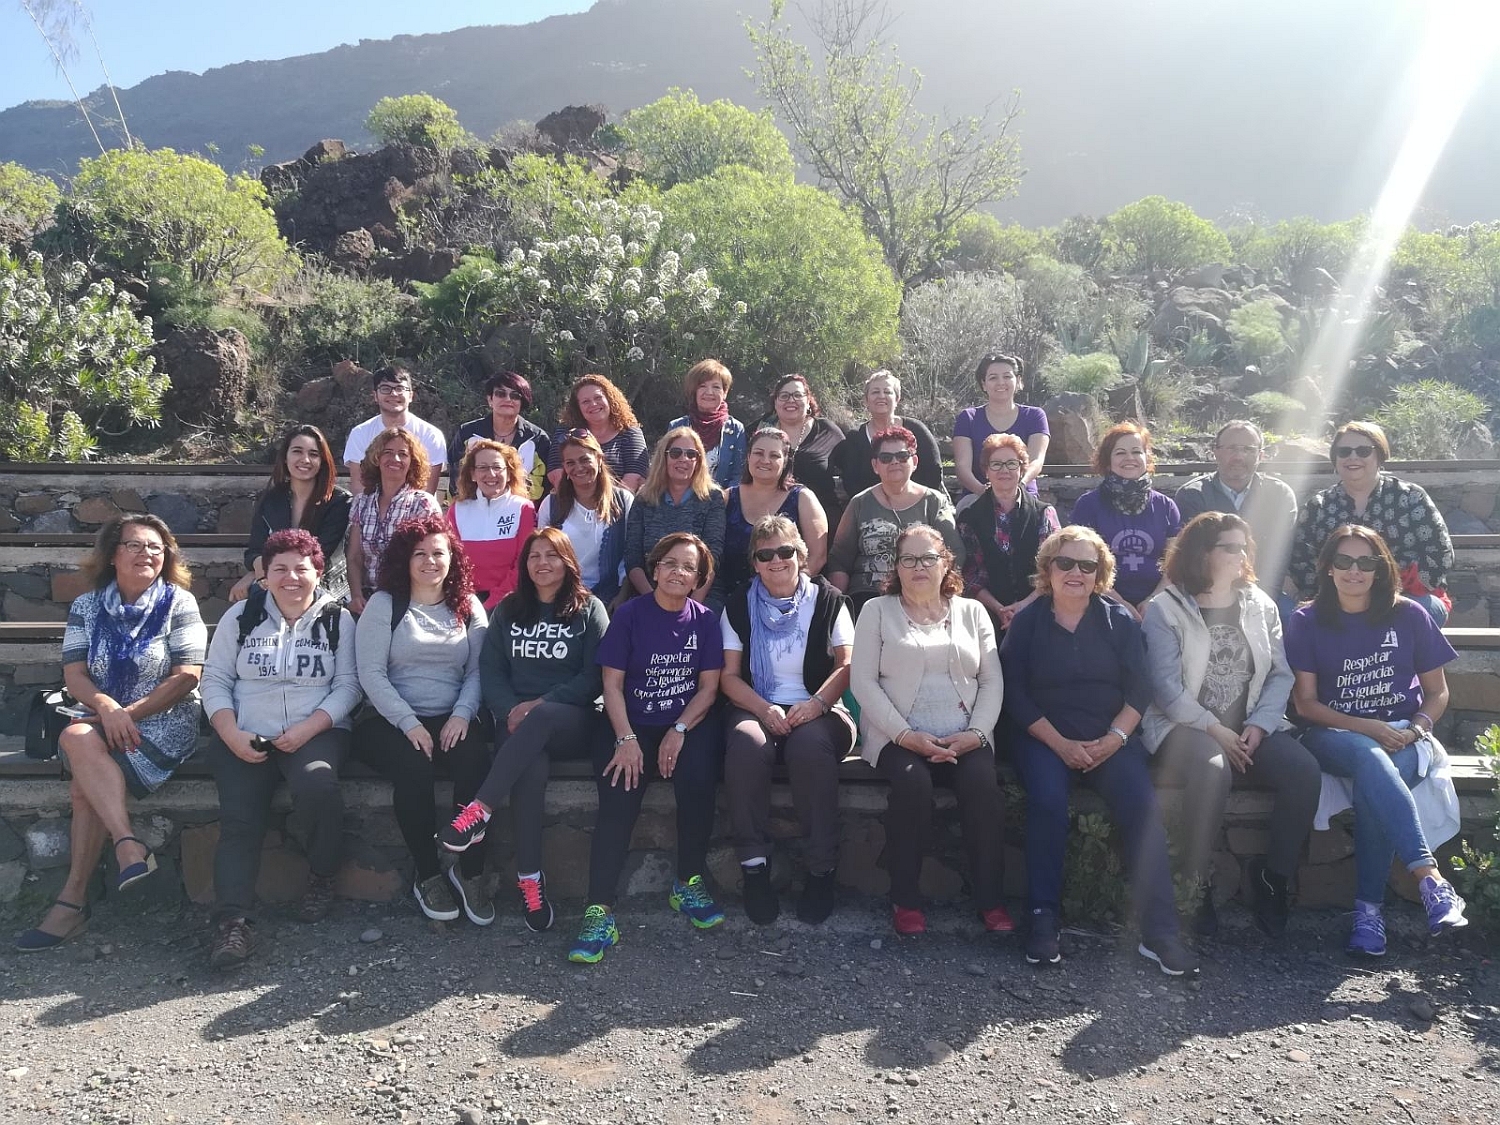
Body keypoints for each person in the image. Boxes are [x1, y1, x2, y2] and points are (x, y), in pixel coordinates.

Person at [1000, 525, 1199, 975]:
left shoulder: (1119, 621)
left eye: (1087, 565)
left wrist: (1115, 739)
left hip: (1110, 738)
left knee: (1142, 805)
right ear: (1048, 569)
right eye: (1065, 563)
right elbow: (1015, 693)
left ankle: (1160, 932)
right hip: (1044, 738)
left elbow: (1140, 689)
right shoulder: (1028, 622)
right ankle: (1042, 918)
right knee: (1047, 802)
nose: (1075, 572)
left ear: (1100, 573)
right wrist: (1060, 744)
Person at [15, 516, 207, 952]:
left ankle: (72, 902)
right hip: (103, 717)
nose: (146, 554)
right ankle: (126, 844)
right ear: (112, 555)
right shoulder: (87, 606)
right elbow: (75, 674)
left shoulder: (180, 603)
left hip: (166, 720)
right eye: (134, 545)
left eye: (156, 547)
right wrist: (108, 708)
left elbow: (187, 676)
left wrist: (128, 715)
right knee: (76, 739)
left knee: (83, 781)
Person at [1285, 524, 1469, 956]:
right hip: (1331, 733)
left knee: (1376, 789)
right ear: (1329, 568)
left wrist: (1417, 729)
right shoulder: (1306, 620)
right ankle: (1431, 879)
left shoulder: (1409, 614)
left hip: (1403, 734)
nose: (1355, 570)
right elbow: (1306, 704)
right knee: (1370, 757)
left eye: (1365, 562)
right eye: (1344, 561)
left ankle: (1369, 917)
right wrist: (1369, 728)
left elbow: (1438, 692)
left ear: (1380, 568)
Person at [1141, 512, 1320, 938]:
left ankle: (1273, 878)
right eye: (1230, 547)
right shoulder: (1166, 609)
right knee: (1212, 769)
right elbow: (1164, 689)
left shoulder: (1261, 604)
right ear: (1202, 552)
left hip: (1250, 724)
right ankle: (1195, 882)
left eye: (1244, 547)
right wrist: (1214, 729)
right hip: (1183, 726)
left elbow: (1280, 674)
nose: (1241, 555)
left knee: (1304, 772)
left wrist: (1260, 725)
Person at [201, 530, 360, 970]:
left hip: (317, 728)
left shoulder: (338, 620)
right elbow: (215, 679)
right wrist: (229, 731)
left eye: (301, 568)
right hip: (245, 729)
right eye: (280, 569)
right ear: (265, 576)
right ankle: (232, 923)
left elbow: (349, 685)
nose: (291, 577)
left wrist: (309, 728)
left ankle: (322, 874)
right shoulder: (241, 616)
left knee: (318, 786)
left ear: (319, 572)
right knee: (239, 820)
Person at [441, 527, 610, 933]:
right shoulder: (509, 609)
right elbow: (491, 670)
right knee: (528, 772)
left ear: (567, 562)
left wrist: (538, 705)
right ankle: (530, 881)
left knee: (543, 718)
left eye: (551, 555)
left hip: (570, 719)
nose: (542, 563)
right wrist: (509, 710)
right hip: (515, 721)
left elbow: (594, 676)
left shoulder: (589, 609)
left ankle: (478, 811)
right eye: (534, 556)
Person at [569, 532, 726, 964]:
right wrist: (626, 739)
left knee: (698, 781)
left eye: (689, 567)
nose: (678, 572)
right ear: (655, 569)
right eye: (670, 563)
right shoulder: (629, 615)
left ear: (698, 579)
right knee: (619, 798)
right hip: (629, 721)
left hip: (685, 721)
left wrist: (679, 729)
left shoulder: (705, 621)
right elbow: (611, 685)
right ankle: (599, 911)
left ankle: (687, 882)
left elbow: (709, 689)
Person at [850, 524, 1009, 936]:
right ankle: (905, 898)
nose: (918, 567)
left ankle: (991, 900)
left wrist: (977, 734)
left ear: (945, 564)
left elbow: (991, 679)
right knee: (913, 784)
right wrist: (906, 736)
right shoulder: (876, 611)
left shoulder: (972, 612)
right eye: (908, 559)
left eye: (928, 558)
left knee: (983, 786)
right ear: (896, 567)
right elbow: (862, 682)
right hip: (897, 735)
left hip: (966, 734)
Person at [353, 515, 491, 926]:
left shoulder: (468, 605)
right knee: (414, 769)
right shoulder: (385, 604)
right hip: (388, 719)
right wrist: (408, 722)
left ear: (452, 558)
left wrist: (462, 714)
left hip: (452, 715)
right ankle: (428, 873)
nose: (430, 561)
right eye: (420, 554)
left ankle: (470, 872)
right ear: (404, 559)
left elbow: (478, 671)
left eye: (438, 553)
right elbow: (370, 673)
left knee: (476, 763)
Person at [721, 515, 855, 926]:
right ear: (755, 563)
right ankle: (754, 867)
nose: (776, 560)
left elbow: (847, 665)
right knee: (746, 744)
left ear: (800, 555)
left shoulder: (829, 601)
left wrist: (816, 705)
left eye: (785, 551)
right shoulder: (738, 605)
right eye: (765, 555)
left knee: (809, 747)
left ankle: (821, 869)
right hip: (758, 705)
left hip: (822, 708)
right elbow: (728, 676)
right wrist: (763, 709)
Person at [1289, 421, 1454, 625]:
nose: (1353, 457)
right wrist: (1342, 596)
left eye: (1363, 451)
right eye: (1344, 451)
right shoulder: (1318, 506)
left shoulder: (1411, 498)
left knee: (1421, 612)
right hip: (1339, 600)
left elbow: (1440, 553)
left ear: (1380, 456)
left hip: (1402, 597)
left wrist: (1387, 593)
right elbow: (1301, 561)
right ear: (1335, 459)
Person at [827, 426, 963, 617]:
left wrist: (940, 593)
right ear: (875, 465)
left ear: (914, 461)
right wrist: (838, 608)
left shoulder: (934, 501)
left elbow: (954, 552)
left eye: (902, 456)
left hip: (922, 595)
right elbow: (840, 559)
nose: (894, 462)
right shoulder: (860, 503)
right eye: (886, 458)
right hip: (867, 595)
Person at [1173, 420, 1298, 609]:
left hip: (1265, 591)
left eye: (1248, 449)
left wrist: (1260, 601)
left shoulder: (1280, 495)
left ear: (1260, 455)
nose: (1239, 456)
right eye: (1231, 448)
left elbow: (1279, 557)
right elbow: (1193, 558)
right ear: (1215, 452)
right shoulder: (1193, 495)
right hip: (1206, 593)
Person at [232, 424, 353, 603]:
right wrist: (256, 572)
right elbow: (254, 551)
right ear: (285, 458)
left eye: (313, 454)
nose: (305, 459)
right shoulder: (270, 499)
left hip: (323, 586)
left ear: (322, 461)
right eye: (297, 451)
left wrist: (262, 573)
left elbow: (321, 556)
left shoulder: (340, 502)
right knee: (245, 607)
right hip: (275, 581)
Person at [1069, 422, 1181, 612]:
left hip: (1159, 602)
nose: (1130, 458)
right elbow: (1081, 564)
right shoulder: (1088, 505)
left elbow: (1175, 564)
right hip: (1101, 602)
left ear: (1147, 457)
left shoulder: (1166, 506)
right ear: (1107, 461)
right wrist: (1122, 605)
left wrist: (1152, 601)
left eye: (1137, 452)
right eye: (1120, 453)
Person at [959, 433, 1061, 632]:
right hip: (987, 615)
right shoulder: (969, 517)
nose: (1004, 470)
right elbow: (971, 575)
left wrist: (1023, 606)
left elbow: (1054, 569)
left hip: (1040, 609)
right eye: (996, 464)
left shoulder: (1044, 513)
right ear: (986, 471)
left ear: (1021, 469)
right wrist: (1000, 609)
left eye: (1011, 463)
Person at [623, 427, 727, 607]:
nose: (683, 459)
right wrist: (654, 602)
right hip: (647, 594)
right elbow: (633, 558)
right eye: (676, 453)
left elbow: (712, 558)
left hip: (699, 595)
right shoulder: (644, 498)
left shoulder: (712, 498)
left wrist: (690, 608)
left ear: (699, 461)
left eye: (691, 454)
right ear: (663, 457)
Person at [345, 428, 443, 615]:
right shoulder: (362, 502)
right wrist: (356, 596)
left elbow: (430, 558)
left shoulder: (423, 503)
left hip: (409, 601)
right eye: (388, 452)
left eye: (403, 454)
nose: (395, 459)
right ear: (377, 458)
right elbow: (354, 556)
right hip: (367, 601)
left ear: (412, 461)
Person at [721, 427, 829, 596]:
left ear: (785, 461)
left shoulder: (802, 498)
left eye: (774, 456)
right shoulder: (728, 498)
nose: (765, 460)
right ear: (748, 457)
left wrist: (785, 592)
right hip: (730, 597)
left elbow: (817, 557)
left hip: (787, 598)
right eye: (758, 453)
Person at [536, 430, 633, 603]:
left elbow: (631, 554)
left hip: (611, 598)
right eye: (570, 463)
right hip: (562, 597)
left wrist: (621, 597)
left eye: (585, 460)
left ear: (599, 459)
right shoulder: (550, 505)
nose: (579, 468)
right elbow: (542, 555)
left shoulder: (623, 500)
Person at [446, 439, 536, 609]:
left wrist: (492, 604)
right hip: (466, 602)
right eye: (483, 468)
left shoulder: (523, 508)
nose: (491, 474)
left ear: (509, 473)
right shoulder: (457, 510)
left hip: (512, 602)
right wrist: (470, 604)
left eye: (497, 467)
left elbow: (523, 563)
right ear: (473, 474)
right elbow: (452, 563)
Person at [953, 353, 1050, 502]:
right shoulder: (968, 418)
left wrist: (1018, 487)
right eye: (993, 378)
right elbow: (962, 467)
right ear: (984, 384)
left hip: (1023, 495)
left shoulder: (1035, 416)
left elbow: (1036, 461)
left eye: (1007, 376)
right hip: (977, 497)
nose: (1000, 382)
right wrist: (984, 492)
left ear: (1018, 381)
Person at [833, 370, 943, 495]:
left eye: (887, 392)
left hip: (917, 502)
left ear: (897, 399)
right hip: (870, 504)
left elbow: (933, 472)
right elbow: (851, 481)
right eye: (875, 392)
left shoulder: (916, 430)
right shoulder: (855, 438)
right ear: (866, 400)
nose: (881, 396)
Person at [343, 363, 447, 494]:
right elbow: (359, 487)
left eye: (400, 388)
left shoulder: (431, 435)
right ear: (375, 396)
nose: (393, 394)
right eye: (385, 388)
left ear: (411, 396)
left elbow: (427, 490)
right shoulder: (360, 434)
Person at [447, 370, 551, 500]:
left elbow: (542, 487)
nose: (508, 399)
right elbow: (457, 478)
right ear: (490, 399)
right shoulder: (467, 433)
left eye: (515, 396)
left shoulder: (538, 438)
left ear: (522, 402)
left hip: (520, 507)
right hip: (472, 505)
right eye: (501, 394)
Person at [545, 374, 649, 492]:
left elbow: (635, 477)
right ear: (577, 407)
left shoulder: (630, 432)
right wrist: (579, 500)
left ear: (610, 399)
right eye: (586, 401)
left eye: (598, 398)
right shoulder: (566, 431)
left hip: (619, 500)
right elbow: (555, 472)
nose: (593, 404)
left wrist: (609, 501)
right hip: (572, 499)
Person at [767, 373, 845, 526]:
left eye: (798, 395)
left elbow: (852, 471)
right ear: (775, 403)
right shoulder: (761, 431)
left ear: (808, 400)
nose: (791, 400)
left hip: (823, 521)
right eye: (784, 396)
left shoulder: (827, 431)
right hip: (772, 522)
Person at [668, 358, 747, 491]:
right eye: (702, 386)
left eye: (716, 387)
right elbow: (665, 469)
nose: (709, 392)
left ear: (725, 392)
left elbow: (738, 474)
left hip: (722, 499)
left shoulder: (736, 429)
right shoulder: (677, 426)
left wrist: (723, 497)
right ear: (694, 391)